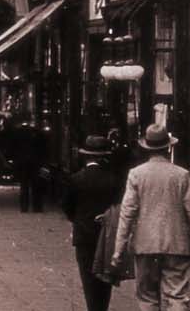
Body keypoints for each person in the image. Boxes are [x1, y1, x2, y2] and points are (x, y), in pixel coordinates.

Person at [114, 123, 190, 310]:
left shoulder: (136, 175)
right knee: (177, 295)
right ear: (168, 147)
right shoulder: (182, 175)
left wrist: (119, 249)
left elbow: (127, 213)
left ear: (146, 148)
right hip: (176, 244)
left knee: (147, 296)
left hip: (145, 245)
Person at [62, 133, 125, 311]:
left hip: (84, 235)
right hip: (107, 234)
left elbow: (67, 206)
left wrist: (76, 219)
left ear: (85, 156)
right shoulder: (114, 179)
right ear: (104, 156)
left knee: (88, 278)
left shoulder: (76, 179)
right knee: (105, 278)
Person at [16, 116, 49, 214]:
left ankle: (24, 207)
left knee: (24, 186)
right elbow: (44, 148)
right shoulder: (38, 133)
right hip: (35, 162)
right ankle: (37, 207)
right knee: (36, 185)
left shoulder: (20, 133)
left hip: (24, 161)